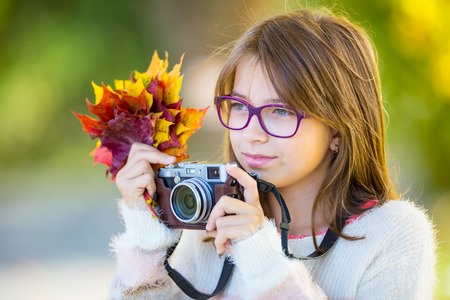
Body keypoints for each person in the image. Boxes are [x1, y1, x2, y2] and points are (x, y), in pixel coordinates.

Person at [109, 8, 436, 299]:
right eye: (239, 106)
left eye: (280, 111)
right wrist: (147, 236)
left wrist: (259, 251)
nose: (251, 134)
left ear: (338, 129)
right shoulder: (213, 221)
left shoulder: (393, 235)